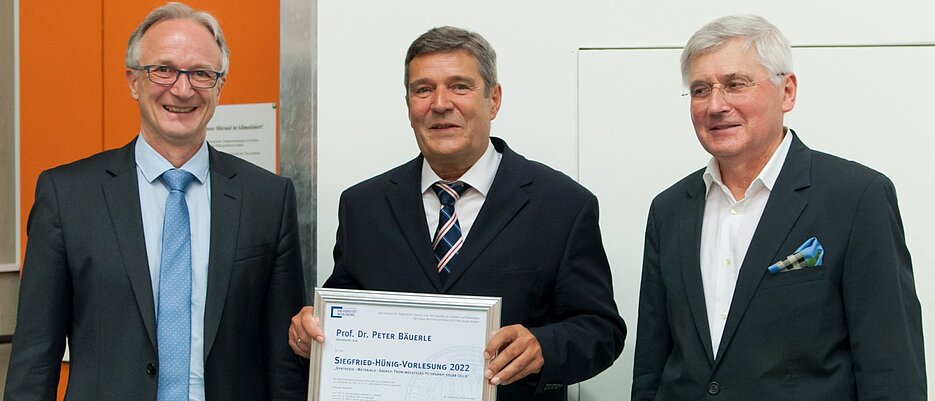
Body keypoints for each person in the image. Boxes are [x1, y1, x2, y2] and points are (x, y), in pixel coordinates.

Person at [288, 26, 626, 400]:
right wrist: (310, 332)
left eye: (459, 86)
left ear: (493, 100)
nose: (440, 103)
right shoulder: (363, 206)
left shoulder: (562, 205)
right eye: (423, 89)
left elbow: (601, 330)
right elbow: (342, 318)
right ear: (408, 106)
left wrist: (543, 347)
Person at [4, 3, 307, 400]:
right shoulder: (67, 196)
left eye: (201, 73)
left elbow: (283, 363)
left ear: (219, 87)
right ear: (133, 81)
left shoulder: (268, 199)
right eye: (163, 69)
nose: (182, 89)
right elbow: (34, 354)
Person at [631, 14, 926, 400]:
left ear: (787, 92)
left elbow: (891, 369)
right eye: (701, 90)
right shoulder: (669, 210)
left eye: (735, 84)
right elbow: (651, 368)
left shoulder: (856, 197)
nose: (716, 105)